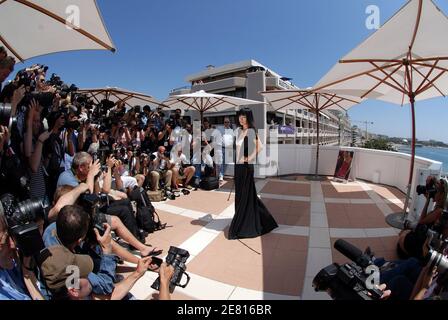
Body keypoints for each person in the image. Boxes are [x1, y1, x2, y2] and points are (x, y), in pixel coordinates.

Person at [228, 108, 278, 240]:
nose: (241, 119)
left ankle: (244, 222)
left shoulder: (250, 131)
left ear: (248, 118)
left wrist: (249, 158)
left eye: (244, 117)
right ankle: (246, 218)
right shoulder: (239, 131)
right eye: (240, 117)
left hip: (246, 167)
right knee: (242, 194)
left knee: (246, 195)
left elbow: (259, 147)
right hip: (238, 167)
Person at [398, 177, 448, 260]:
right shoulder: (440, 208)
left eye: (436, 191)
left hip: (422, 245)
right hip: (424, 238)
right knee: (403, 232)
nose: (434, 193)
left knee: (402, 234)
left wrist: (427, 201)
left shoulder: (439, 211)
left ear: (442, 195)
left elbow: (421, 221)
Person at [0, 210, 45, 300]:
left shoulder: (7, 264)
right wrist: (27, 277)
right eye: (4, 242)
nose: (13, 245)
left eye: (10, 235)